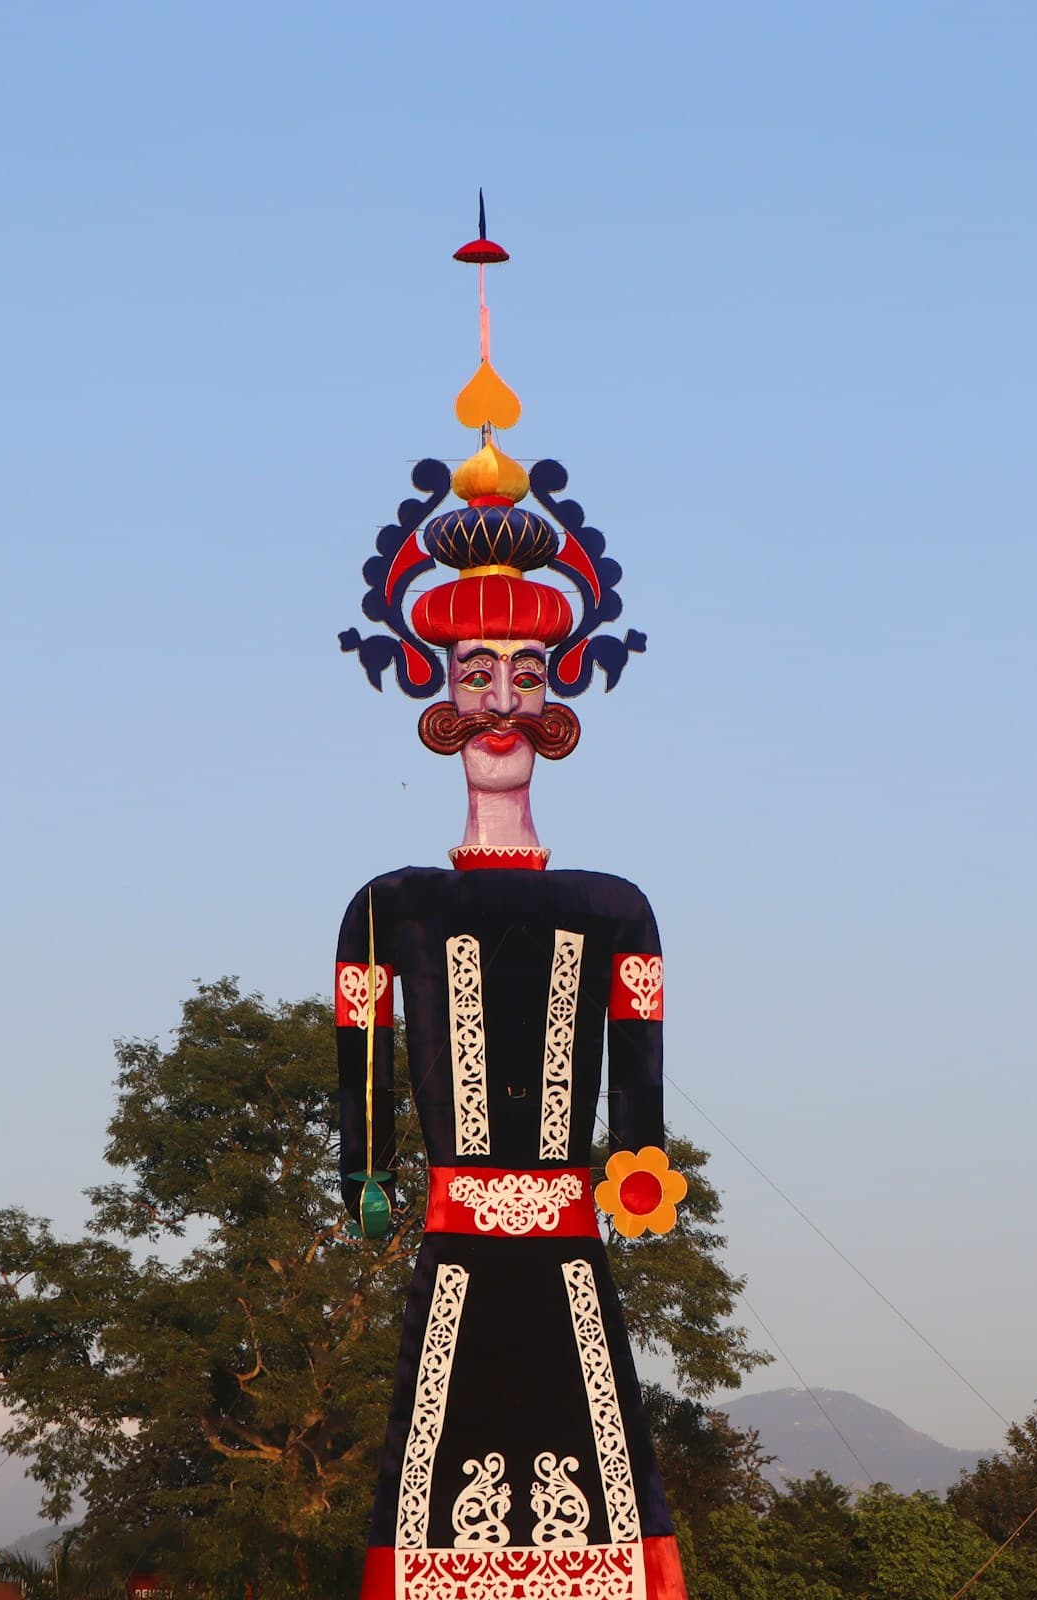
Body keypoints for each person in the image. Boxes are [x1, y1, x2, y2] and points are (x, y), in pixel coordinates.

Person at [335, 215, 682, 1600]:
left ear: (563, 694)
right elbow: (360, 1079)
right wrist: (363, 1169)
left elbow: (641, 1095)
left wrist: (641, 1165)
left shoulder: (617, 910)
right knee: (434, 1487)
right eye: (474, 672)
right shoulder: (386, 908)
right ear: (435, 690)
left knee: (602, 1461)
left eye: (521, 676)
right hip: (457, 1228)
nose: (497, 701)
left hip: (566, 1229)